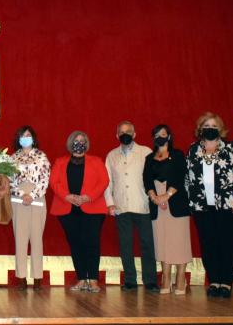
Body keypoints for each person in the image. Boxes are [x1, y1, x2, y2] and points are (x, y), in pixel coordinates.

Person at [185, 112, 233, 298]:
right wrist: (191, 202)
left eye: (213, 126)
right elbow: (187, 179)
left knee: (227, 243)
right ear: (200, 129)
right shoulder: (193, 149)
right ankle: (214, 281)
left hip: (227, 204)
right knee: (208, 244)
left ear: (220, 129)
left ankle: (226, 282)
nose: (210, 128)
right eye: (206, 125)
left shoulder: (230, 149)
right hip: (202, 207)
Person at [49, 131, 109, 293]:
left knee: (92, 243)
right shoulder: (60, 162)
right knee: (76, 244)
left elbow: (104, 181)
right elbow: (54, 182)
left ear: (86, 143)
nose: (79, 143)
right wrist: (68, 196)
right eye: (76, 140)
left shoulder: (96, 161)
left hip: (92, 208)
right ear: (70, 143)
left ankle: (94, 280)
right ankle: (82, 278)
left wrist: (87, 197)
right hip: (68, 208)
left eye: (82, 141)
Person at [104, 121, 159, 292]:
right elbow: (108, 182)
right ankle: (130, 280)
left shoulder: (146, 152)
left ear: (134, 134)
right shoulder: (111, 156)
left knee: (147, 244)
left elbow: (153, 178)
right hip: (121, 206)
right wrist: (110, 204)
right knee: (125, 245)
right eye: (121, 132)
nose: (125, 134)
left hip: (142, 205)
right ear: (117, 136)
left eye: (128, 131)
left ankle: (150, 280)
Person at [143, 124, 191, 294]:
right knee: (162, 241)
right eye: (156, 134)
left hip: (175, 201)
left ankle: (180, 277)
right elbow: (146, 180)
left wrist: (167, 195)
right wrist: (154, 197)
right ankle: (165, 277)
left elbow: (180, 176)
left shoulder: (177, 155)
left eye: (163, 134)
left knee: (179, 241)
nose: (160, 137)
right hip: (157, 203)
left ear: (169, 136)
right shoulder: (149, 158)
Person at [10, 126, 51, 290]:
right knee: (20, 239)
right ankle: (21, 277)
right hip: (18, 199)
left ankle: (37, 277)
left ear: (33, 138)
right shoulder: (13, 157)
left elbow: (45, 179)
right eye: (22, 136)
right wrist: (21, 194)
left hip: (37, 198)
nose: (25, 138)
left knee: (36, 239)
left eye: (28, 136)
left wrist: (32, 195)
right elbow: (8, 180)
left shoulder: (41, 156)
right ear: (18, 139)